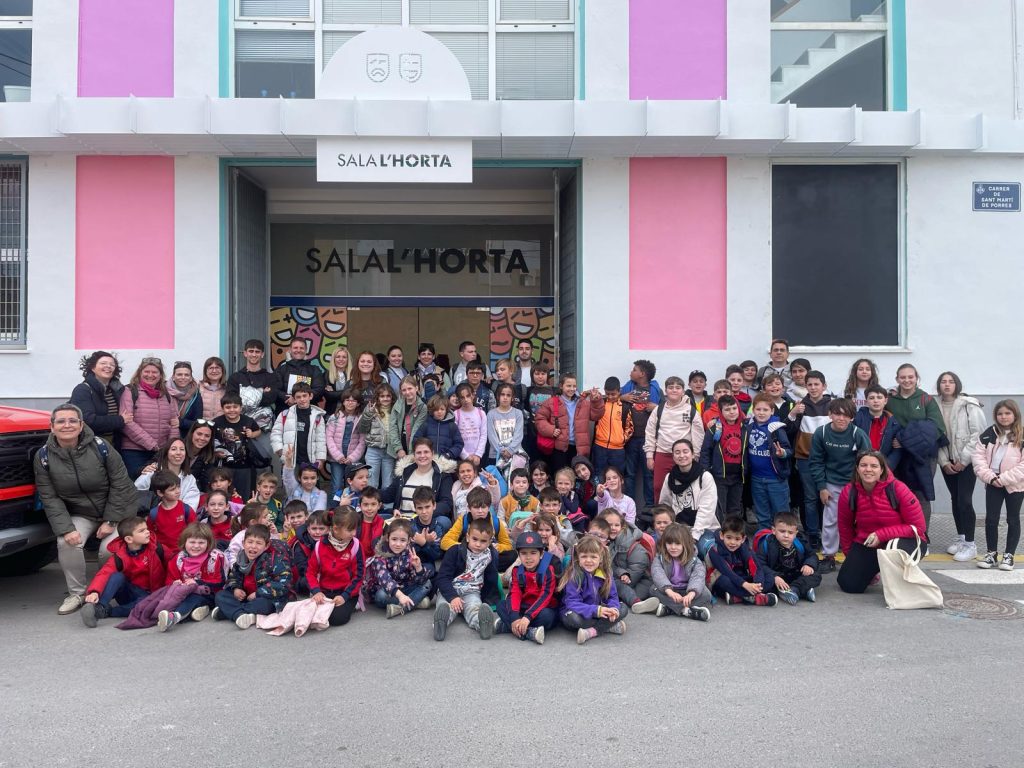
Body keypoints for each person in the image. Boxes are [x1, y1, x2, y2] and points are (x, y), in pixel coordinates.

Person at [35, 403, 138, 615]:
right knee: (67, 542)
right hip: (81, 512)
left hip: (117, 510)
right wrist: (66, 528)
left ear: (81, 425)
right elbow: (49, 497)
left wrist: (110, 520)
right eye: (61, 421)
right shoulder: (43, 456)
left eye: (73, 420)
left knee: (107, 549)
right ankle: (77, 594)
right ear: (52, 426)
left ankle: (104, 590)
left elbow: (121, 484)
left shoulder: (100, 447)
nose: (67, 425)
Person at [836, 451, 928, 593]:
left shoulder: (898, 488)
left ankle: (901, 578)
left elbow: (919, 527)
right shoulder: (849, 492)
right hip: (868, 541)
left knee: (894, 550)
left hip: (904, 541)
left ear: (882, 470)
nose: (868, 469)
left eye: (874, 466)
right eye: (863, 465)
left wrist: (881, 535)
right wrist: (852, 559)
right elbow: (845, 528)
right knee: (848, 584)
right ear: (857, 469)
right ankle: (874, 571)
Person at [808, 398, 871, 572]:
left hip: (855, 483)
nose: (841, 418)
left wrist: (865, 487)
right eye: (837, 414)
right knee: (830, 520)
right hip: (831, 483)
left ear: (852, 417)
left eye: (846, 415)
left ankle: (859, 555)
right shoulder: (821, 433)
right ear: (830, 414)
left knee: (860, 520)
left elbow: (868, 461)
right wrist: (822, 487)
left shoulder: (858, 434)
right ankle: (829, 556)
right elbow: (816, 461)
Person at [887, 363, 946, 529]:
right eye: (903, 377)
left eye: (910, 377)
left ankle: (921, 534)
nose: (907, 380)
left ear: (916, 378)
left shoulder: (926, 399)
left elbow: (937, 428)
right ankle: (901, 533)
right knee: (897, 494)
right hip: (898, 456)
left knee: (921, 496)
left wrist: (905, 441)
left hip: (923, 456)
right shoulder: (890, 401)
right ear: (897, 379)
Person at [80, 516, 167, 628]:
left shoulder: (156, 548)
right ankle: (100, 606)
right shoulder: (120, 556)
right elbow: (104, 573)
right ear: (129, 539)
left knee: (148, 604)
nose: (147, 532)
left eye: (147, 529)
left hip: (152, 594)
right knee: (117, 576)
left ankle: (107, 612)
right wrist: (94, 592)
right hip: (129, 592)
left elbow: (174, 563)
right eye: (142, 531)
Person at [935, 371, 986, 562]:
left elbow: (978, 434)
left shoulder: (969, 405)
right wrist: (944, 462)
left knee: (965, 500)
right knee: (955, 499)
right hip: (947, 461)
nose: (947, 385)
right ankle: (962, 538)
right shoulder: (934, 406)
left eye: (951, 381)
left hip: (966, 461)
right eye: (943, 381)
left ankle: (971, 545)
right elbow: (935, 436)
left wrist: (963, 460)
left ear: (957, 384)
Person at [973, 400, 1024, 571]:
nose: (1003, 417)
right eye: (1000, 414)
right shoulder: (989, 434)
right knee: (991, 519)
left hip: (1015, 485)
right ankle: (991, 554)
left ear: (1015, 415)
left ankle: (1009, 555)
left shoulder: (1022, 435)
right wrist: (991, 478)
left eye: (1008, 413)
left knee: (1013, 519)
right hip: (993, 483)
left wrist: (1004, 478)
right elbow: (978, 458)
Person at [214, 523, 293, 629]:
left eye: (259, 543)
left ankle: (228, 612)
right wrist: (236, 588)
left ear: (266, 545)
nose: (253, 546)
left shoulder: (275, 558)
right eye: (250, 542)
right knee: (220, 595)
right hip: (246, 596)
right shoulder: (241, 557)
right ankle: (239, 614)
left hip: (267, 598)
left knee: (262, 605)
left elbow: (284, 583)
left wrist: (258, 593)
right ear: (243, 543)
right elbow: (233, 576)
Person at [432, 516, 500, 641]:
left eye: (483, 541)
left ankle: (482, 624)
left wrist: (491, 600)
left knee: (474, 609)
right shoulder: (455, 551)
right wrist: (453, 597)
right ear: (468, 537)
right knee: (447, 607)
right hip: (450, 589)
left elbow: (491, 579)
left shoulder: (490, 556)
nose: (478, 544)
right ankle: (440, 623)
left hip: (472, 591)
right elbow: (442, 577)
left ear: (490, 542)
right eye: (475, 539)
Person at [788, 369, 832, 550]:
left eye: (816, 384)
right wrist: (793, 414)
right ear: (805, 386)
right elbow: (790, 430)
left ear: (824, 386)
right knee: (810, 497)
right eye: (810, 385)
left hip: (828, 458)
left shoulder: (832, 405)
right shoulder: (800, 406)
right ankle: (812, 534)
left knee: (827, 497)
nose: (813, 388)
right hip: (805, 457)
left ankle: (827, 532)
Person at [157, 522, 227, 632]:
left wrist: (197, 582)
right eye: (192, 542)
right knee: (174, 598)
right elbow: (170, 580)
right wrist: (176, 583)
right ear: (185, 542)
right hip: (184, 593)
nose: (196, 546)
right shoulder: (178, 559)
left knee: (193, 598)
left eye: (201, 542)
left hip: (209, 593)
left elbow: (220, 581)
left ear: (208, 543)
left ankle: (174, 617)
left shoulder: (214, 558)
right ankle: (199, 611)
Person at [634, 522, 711, 620]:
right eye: (669, 543)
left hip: (687, 591)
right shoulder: (660, 559)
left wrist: (692, 593)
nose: (673, 547)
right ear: (664, 543)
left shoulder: (694, 560)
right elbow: (658, 574)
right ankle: (687, 611)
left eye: (678, 544)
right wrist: (669, 591)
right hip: (669, 591)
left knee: (706, 594)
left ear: (685, 544)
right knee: (653, 589)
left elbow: (698, 577)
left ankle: (668, 609)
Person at [559, 534, 627, 644]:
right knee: (574, 619)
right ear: (578, 558)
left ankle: (592, 631)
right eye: (584, 556)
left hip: (598, 612)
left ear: (600, 558)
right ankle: (607, 626)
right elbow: (572, 603)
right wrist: (597, 611)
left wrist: (612, 608)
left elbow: (612, 596)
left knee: (623, 608)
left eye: (593, 557)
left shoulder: (606, 574)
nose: (588, 560)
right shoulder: (575, 575)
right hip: (579, 613)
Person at [644, 375, 704, 499]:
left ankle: (681, 512)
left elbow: (698, 436)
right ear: (666, 391)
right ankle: (661, 512)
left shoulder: (691, 411)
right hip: (662, 454)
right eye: (671, 387)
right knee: (659, 487)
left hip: (684, 456)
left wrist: (695, 456)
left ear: (683, 391)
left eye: (678, 388)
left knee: (684, 489)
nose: (674, 390)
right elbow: (650, 432)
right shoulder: (658, 410)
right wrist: (649, 456)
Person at [493, 530, 558, 644]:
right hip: (524, 606)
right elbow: (515, 593)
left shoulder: (548, 570)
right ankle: (528, 632)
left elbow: (545, 596)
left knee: (547, 616)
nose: (528, 557)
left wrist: (528, 617)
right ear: (519, 555)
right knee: (501, 605)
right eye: (524, 553)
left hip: (542, 608)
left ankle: (506, 626)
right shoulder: (517, 571)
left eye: (533, 553)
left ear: (541, 554)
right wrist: (514, 617)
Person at [119, 357, 178, 478]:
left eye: (155, 372)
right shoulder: (130, 391)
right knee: (138, 484)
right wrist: (151, 444)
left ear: (160, 375)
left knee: (159, 485)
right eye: (146, 371)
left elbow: (174, 423)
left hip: (160, 452)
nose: (150, 375)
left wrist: (171, 446)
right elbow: (127, 423)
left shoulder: (167, 395)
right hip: (135, 451)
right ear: (140, 373)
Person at [658, 438, 719, 554]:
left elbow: (706, 510)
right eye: (677, 452)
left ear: (693, 454)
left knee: (706, 550)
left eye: (685, 451)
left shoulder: (705, 477)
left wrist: (694, 536)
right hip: (678, 528)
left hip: (703, 529)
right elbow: (665, 506)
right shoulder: (669, 478)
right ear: (673, 457)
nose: (682, 455)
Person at [362, 517, 432, 618]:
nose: (398, 544)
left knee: (427, 583)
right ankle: (416, 602)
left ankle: (399, 608)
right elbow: (385, 580)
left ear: (408, 541)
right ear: (388, 538)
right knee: (380, 596)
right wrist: (400, 596)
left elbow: (417, 580)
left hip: (405, 587)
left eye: (403, 540)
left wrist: (418, 568)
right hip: (386, 591)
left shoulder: (409, 554)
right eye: (394, 539)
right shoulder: (380, 556)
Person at [307, 507, 364, 626]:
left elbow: (358, 576)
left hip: (346, 592)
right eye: (350, 530)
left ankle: (354, 604)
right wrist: (316, 591)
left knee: (337, 619)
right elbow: (310, 572)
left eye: (355, 529)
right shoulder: (320, 546)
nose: (354, 533)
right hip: (324, 591)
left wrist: (344, 596)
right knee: (310, 613)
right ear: (336, 529)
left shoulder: (356, 546)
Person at [746, 394, 794, 531]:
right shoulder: (749, 426)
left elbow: (789, 450)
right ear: (753, 410)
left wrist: (782, 453)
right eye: (758, 409)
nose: (761, 413)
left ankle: (783, 540)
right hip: (756, 479)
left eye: (765, 410)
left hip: (776, 479)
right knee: (762, 516)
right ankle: (764, 540)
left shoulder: (776, 428)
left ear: (772, 411)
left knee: (781, 515)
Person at [705, 516, 776, 606]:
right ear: (722, 536)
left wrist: (757, 585)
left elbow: (756, 567)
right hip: (723, 578)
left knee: (769, 576)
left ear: (743, 539)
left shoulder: (745, 548)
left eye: (737, 539)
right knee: (723, 581)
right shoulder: (715, 551)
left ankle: (739, 597)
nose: (732, 542)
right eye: (729, 537)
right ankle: (754, 597)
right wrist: (746, 585)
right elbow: (727, 572)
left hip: (741, 578)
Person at [381, 437, 455, 520]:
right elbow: (388, 495)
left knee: (444, 521)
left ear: (432, 454)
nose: (422, 456)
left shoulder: (442, 476)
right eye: (419, 453)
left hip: (427, 521)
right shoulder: (405, 472)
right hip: (401, 520)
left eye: (426, 452)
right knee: (377, 518)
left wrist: (423, 515)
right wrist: (369, 491)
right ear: (414, 455)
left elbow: (446, 503)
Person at [441, 486, 515, 569]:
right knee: (448, 554)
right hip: (468, 556)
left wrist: (497, 547)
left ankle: (483, 569)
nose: (480, 511)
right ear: (469, 508)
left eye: (483, 507)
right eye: (476, 507)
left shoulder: (496, 522)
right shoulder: (463, 520)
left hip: (488, 556)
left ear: (488, 507)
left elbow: (508, 545)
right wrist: (468, 546)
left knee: (512, 555)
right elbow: (445, 542)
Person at [754, 512, 820, 604]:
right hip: (777, 576)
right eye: (782, 531)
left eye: (790, 532)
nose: (786, 535)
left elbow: (812, 555)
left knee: (816, 575)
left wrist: (808, 565)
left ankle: (795, 589)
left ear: (796, 533)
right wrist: (774, 576)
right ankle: (802, 591)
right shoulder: (767, 543)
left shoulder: (800, 541)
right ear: (774, 530)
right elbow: (759, 563)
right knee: (761, 582)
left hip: (795, 574)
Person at [621, 360, 662, 506]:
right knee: (630, 474)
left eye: (634, 370)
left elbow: (666, 408)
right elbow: (613, 395)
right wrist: (623, 397)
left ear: (642, 374)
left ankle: (649, 508)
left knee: (649, 474)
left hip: (648, 440)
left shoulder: (655, 390)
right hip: (630, 439)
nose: (631, 372)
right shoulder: (629, 387)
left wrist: (656, 407)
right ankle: (629, 507)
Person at [224, 339, 278, 449]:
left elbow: (271, 398)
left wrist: (244, 394)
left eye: (257, 352)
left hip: (263, 428)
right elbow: (232, 400)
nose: (254, 354)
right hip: (239, 426)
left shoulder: (270, 377)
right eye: (251, 351)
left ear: (262, 354)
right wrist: (261, 392)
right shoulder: (235, 377)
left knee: (264, 457)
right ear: (245, 353)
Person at [699, 394, 746, 521]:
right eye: (727, 409)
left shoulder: (745, 427)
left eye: (734, 408)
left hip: (738, 475)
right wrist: (705, 471)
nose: (732, 412)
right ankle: (720, 531)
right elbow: (705, 451)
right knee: (720, 507)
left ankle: (734, 531)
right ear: (721, 411)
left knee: (735, 508)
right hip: (720, 475)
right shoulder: (715, 429)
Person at [70, 350, 126, 449]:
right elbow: (88, 420)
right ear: (93, 368)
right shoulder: (83, 389)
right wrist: (120, 420)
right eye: (103, 363)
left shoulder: (116, 390)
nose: (108, 366)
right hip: (91, 445)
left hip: (113, 443)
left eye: (112, 364)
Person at [601, 508, 652, 610]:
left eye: (616, 525)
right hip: (615, 577)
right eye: (609, 525)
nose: (613, 528)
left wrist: (624, 575)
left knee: (613, 584)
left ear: (622, 526)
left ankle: (636, 603)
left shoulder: (634, 546)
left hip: (638, 583)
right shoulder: (605, 541)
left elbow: (634, 574)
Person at [271, 382, 327, 471]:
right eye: (298, 397)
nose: (302, 399)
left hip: (310, 461)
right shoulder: (285, 415)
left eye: (304, 396)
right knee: (289, 480)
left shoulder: (318, 417)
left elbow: (321, 439)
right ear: (294, 399)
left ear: (310, 396)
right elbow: (275, 433)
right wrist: (280, 451)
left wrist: (320, 458)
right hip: (290, 460)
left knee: (309, 481)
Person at [134, 437, 202, 510]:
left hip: (179, 516)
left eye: (182, 449)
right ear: (166, 453)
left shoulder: (190, 479)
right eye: (173, 449)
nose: (178, 453)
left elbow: (191, 507)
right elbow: (136, 491)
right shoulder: (153, 469)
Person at [326, 388, 366, 500]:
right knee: (336, 484)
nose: (350, 403)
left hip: (352, 459)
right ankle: (334, 507)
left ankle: (351, 507)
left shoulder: (361, 419)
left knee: (352, 485)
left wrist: (352, 458)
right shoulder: (335, 417)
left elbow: (362, 441)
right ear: (343, 402)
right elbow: (329, 438)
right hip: (336, 459)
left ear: (358, 403)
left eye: (353, 401)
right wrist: (338, 456)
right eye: (347, 400)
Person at [145, 470, 198, 553]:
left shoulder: (186, 509)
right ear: (160, 493)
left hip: (183, 553)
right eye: (172, 489)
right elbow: (150, 534)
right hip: (162, 554)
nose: (178, 491)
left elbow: (196, 530)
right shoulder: (154, 514)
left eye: (178, 487)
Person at [853, 385, 901, 468]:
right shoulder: (857, 419)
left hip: (884, 466)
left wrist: (887, 467)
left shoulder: (893, 423)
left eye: (879, 397)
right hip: (860, 465)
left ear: (885, 401)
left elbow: (897, 449)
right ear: (866, 402)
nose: (876, 401)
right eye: (871, 398)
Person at [358, 382, 394, 489]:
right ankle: (370, 500)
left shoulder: (396, 409)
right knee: (371, 483)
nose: (385, 399)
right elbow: (362, 429)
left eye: (388, 396)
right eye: (382, 396)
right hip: (373, 450)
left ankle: (387, 501)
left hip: (390, 450)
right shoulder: (371, 408)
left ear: (392, 397)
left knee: (388, 484)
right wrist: (368, 414)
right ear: (377, 397)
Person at [591, 376, 630, 477]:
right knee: (599, 475)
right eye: (607, 394)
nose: (610, 396)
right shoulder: (601, 404)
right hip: (599, 447)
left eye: (613, 394)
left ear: (619, 391)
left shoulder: (625, 407)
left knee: (617, 476)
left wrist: (622, 439)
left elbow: (629, 427)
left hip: (617, 450)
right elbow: (593, 415)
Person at [273, 337, 325, 411]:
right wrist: (287, 398)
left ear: (306, 350)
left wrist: (299, 398)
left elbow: (319, 389)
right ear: (290, 350)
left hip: (309, 412)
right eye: (295, 348)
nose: (298, 350)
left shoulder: (314, 370)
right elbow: (275, 389)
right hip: (285, 411)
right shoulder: (281, 369)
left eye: (301, 348)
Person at [388, 375, 427, 462]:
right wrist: (398, 449)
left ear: (416, 388)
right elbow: (392, 426)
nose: (407, 392)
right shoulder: (398, 403)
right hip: (396, 447)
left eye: (410, 388)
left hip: (412, 446)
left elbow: (416, 430)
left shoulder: (422, 407)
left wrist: (411, 451)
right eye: (404, 390)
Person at [415, 394, 464, 462]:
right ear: (432, 411)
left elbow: (459, 444)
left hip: (446, 462)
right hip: (428, 461)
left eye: (442, 409)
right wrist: (425, 453)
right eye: (436, 409)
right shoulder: (426, 425)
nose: (439, 412)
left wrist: (449, 454)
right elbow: (416, 440)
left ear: (446, 410)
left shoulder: (452, 426)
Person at [291, 509, 329, 595]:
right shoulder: (300, 545)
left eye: (321, 528)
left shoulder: (333, 542)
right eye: (314, 528)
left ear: (328, 529)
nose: (317, 532)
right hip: (305, 579)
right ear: (308, 529)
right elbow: (302, 569)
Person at [488, 382, 525, 470]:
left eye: (508, 395)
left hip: (515, 454)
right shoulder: (491, 414)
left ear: (512, 398)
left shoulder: (518, 413)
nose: (505, 397)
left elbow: (519, 434)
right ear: (498, 396)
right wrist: (501, 450)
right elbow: (491, 435)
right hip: (496, 455)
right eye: (502, 394)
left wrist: (510, 450)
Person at [454, 382, 487, 467]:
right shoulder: (456, 414)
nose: (466, 400)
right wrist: (465, 455)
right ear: (458, 399)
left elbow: (483, 435)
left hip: (478, 458)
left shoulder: (481, 413)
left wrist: (478, 455)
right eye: (462, 397)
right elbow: (455, 437)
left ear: (473, 395)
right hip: (461, 457)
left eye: (468, 396)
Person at [167, 361, 203, 439]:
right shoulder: (163, 392)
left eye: (186, 375)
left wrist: (181, 423)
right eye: (179, 374)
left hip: (185, 438)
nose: (183, 377)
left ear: (191, 378)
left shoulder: (196, 395)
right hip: (164, 436)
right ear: (173, 377)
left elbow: (198, 422)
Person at [501, 467, 539, 540]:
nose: (521, 485)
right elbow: (501, 519)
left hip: (530, 535)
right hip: (510, 534)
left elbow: (537, 518)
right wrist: (505, 529)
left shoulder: (535, 501)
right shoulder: (504, 501)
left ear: (528, 485)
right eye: (517, 482)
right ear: (511, 485)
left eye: (524, 482)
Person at [183, 420, 215, 492]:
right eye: (199, 434)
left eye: (207, 436)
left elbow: (205, 482)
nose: (202, 438)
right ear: (192, 433)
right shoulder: (178, 447)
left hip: (192, 493)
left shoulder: (208, 456)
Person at [357, 487, 385, 560]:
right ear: (360, 506)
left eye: (373, 504)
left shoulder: (383, 524)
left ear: (379, 506)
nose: (369, 508)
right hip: (357, 558)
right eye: (365, 504)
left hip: (376, 559)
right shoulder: (354, 521)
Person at [323, 346, 353, 415]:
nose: (341, 359)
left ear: (348, 360)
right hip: (331, 413)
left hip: (351, 413)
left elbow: (355, 394)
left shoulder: (353, 375)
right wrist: (348, 391)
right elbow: (329, 396)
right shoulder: (327, 374)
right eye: (338, 357)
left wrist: (334, 393)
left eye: (344, 357)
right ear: (333, 359)